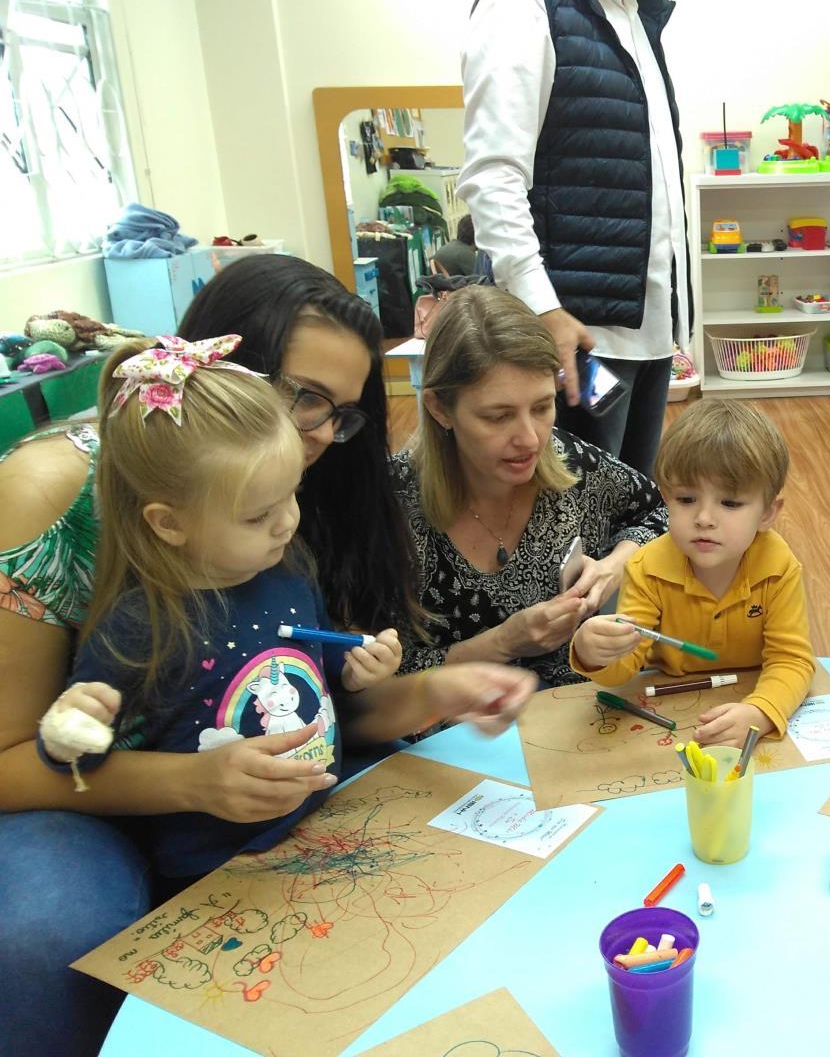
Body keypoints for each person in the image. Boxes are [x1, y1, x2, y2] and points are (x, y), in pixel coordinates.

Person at [0, 256, 523, 1055]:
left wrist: (433, 692)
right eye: (304, 396)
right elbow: (15, 758)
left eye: (340, 415)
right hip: (83, 794)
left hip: (253, 784)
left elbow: (312, 699)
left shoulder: (284, 498)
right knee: (47, 935)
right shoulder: (55, 491)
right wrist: (190, 781)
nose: (318, 438)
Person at [36, 338, 513, 888]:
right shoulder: (140, 624)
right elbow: (79, 758)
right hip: (216, 870)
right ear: (170, 523)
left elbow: (320, 674)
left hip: (327, 824)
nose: (287, 523)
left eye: (293, 494)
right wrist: (71, 729)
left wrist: (357, 668)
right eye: (258, 515)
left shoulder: (288, 569)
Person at [459, 0, 689, 477]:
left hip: (643, 333)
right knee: (562, 526)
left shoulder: (638, 16)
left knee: (626, 513)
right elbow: (493, 176)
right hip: (569, 339)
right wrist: (542, 308)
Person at [394, 285, 668, 687]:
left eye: (542, 407)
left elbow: (663, 512)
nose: (530, 439)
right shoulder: (393, 503)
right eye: (498, 416)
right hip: (452, 738)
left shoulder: (573, 464)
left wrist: (612, 568)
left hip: (572, 722)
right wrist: (504, 642)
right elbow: (378, 686)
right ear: (439, 408)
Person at [570, 399, 815, 747]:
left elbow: (792, 660)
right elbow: (623, 669)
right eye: (686, 499)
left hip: (752, 696)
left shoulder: (778, 566)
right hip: (670, 707)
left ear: (767, 513)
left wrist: (762, 711)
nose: (703, 518)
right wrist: (593, 653)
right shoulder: (646, 567)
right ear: (666, 497)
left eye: (729, 503)